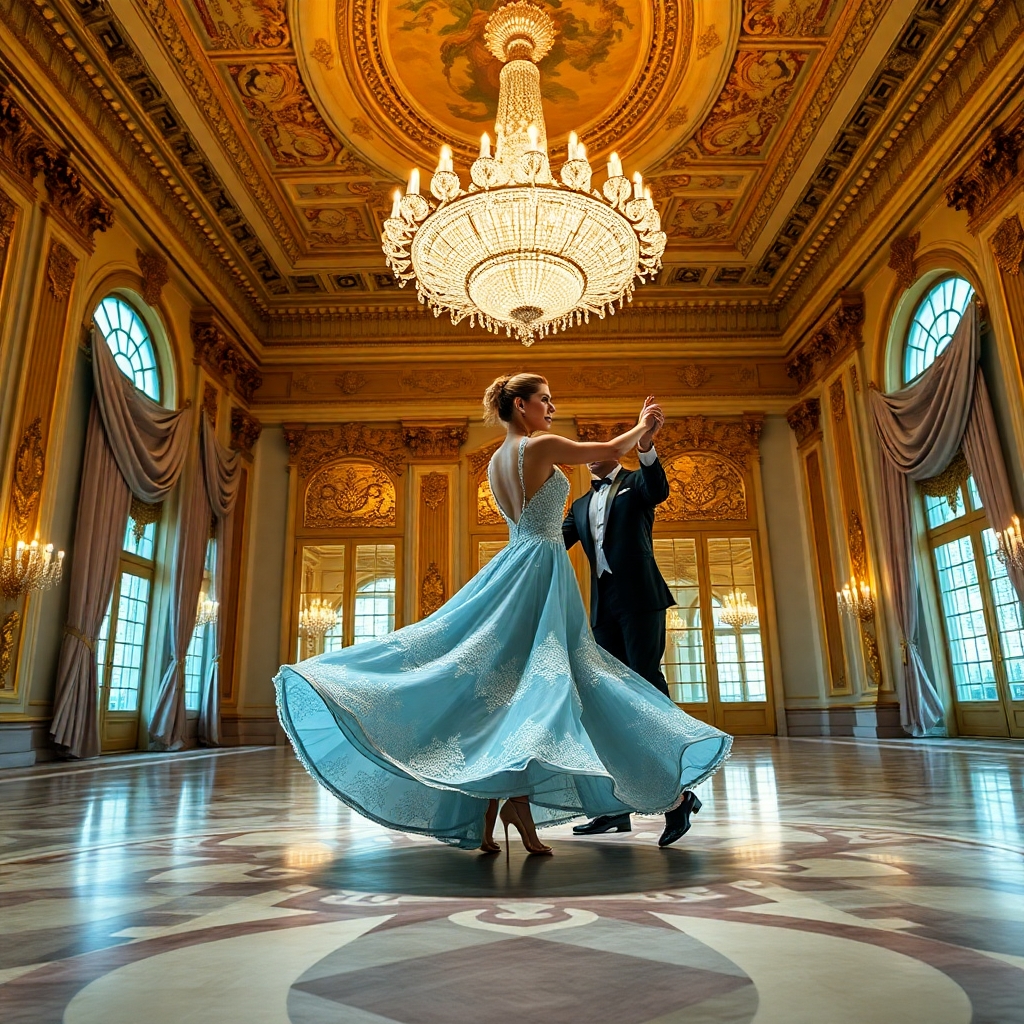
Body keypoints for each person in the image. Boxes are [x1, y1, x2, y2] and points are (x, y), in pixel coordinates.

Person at [275, 373, 731, 856]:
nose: (551, 408)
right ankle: (659, 791)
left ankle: (512, 803)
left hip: (520, 561)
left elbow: (547, 518)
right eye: (545, 400)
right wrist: (643, 426)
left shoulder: (494, 460)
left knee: (512, 684)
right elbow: (612, 448)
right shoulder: (541, 447)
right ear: (520, 405)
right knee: (560, 679)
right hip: (540, 568)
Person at [563, 423, 702, 846]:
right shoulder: (581, 504)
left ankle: (677, 794)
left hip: (642, 599)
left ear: (613, 450)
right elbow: (552, 541)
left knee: (646, 690)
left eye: (596, 447)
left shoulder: (635, 484)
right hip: (604, 609)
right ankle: (614, 808)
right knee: (608, 703)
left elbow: (658, 488)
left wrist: (646, 447)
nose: (589, 454)